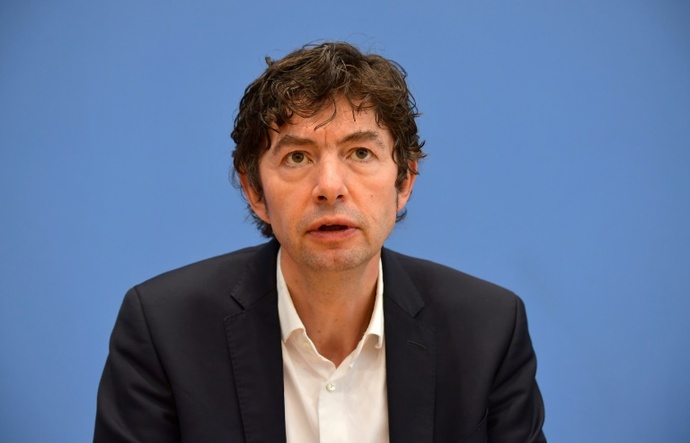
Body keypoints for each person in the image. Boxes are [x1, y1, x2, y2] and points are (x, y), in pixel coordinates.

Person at [94, 41, 546, 443]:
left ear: (404, 181)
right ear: (254, 191)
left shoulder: (487, 331)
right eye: (297, 157)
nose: (330, 187)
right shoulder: (164, 330)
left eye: (361, 152)